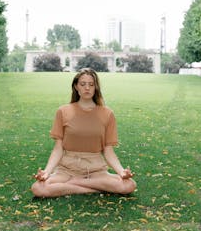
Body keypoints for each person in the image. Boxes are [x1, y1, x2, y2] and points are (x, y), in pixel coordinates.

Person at [31, 68, 136, 198]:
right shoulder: (63, 111)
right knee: (38, 188)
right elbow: (58, 149)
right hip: (67, 171)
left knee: (129, 185)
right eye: (83, 84)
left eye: (91, 84)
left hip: (96, 171)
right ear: (76, 87)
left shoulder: (107, 114)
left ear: (96, 87)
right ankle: (93, 188)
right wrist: (47, 172)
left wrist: (121, 172)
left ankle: (74, 185)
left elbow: (108, 151)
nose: (87, 88)